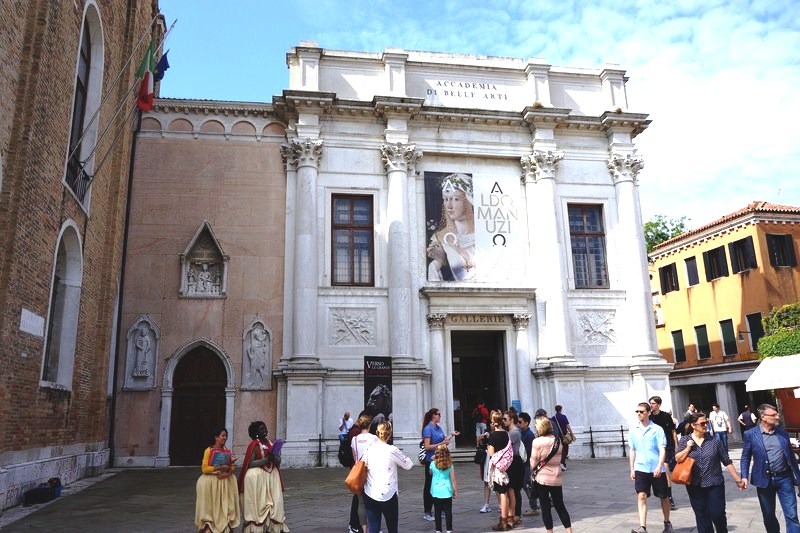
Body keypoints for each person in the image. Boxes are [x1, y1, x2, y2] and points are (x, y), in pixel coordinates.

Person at [676, 412, 745, 532]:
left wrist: (737, 479)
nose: (705, 425)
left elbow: (726, 460)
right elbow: (678, 459)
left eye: (706, 422)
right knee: (701, 516)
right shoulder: (685, 440)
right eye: (702, 423)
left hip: (714, 483)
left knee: (717, 513)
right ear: (693, 425)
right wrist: (688, 448)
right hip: (694, 484)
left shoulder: (714, 441)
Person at [740, 403, 800, 533]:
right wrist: (744, 476)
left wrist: (799, 479)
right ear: (763, 417)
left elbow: (792, 459)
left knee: (792, 515)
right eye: (773, 415)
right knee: (768, 515)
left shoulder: (783, 434)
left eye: (776, 414)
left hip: (785, 478)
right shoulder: (751, 434)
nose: (777, 417)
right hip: (763, 480)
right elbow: (745, 457)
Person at [629, 402, 673, 533]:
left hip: (656, 468)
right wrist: (632, 468)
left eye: (641, 412)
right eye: (637, 412)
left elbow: (662, 449)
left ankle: (667, 522)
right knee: (641, 496)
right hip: (640, 468)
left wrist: (660, 466)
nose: (639, 414)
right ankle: (643, 527)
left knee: (663, 496)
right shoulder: (633, 429)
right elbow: (632, 450)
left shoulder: (657, 429)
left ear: (649, 413)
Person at [238, 421, 290, 533]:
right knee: (259, 504)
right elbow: (250, 463)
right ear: (256, 432)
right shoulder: (254, 445)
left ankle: (273, 528)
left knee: (276, 503)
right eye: (261, 429)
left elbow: (278, 461)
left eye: (265, 428)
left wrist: (274, 457)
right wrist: (267, 459)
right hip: (258, 479)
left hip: (272, 478)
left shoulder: (271, 444)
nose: (265, 430)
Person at [362, 421, 413, 533]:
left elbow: (363, 465)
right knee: (392, 528)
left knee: (373, 528)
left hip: (370, 492)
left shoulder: (369, 449)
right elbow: (408, 465)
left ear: (376, 433)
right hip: (388, 493)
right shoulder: (392, 450)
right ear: (389, 434)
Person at [426, 173, 476, 281]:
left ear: (468, 200)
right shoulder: (441, 238)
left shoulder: (484, 233)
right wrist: (439, 262)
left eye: (455, 199)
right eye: (446, 199)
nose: (449, 206)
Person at [531, 416, 573, 533]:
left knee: (546, 508)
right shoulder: (557, 440)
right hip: (556, 477)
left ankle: (550, 532)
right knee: (560, 506)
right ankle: (569, 530)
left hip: (542, 479)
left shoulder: (537, 442)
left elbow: (533, 463)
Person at [195, 427, 240, 533]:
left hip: (225, 482)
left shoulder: (227, 451)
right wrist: (219, 468)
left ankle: (225, 526)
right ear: (216, 437)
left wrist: (228, 472)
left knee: (225, 505)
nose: (225, 438)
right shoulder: (209, 450)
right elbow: (204, 468)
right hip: (211, 482)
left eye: (226, 436)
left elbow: (232, 466)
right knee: (211, 506)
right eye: (222, 436)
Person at [421, 408, 458, 521]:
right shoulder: (428, 429)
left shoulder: (438, 428)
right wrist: (441, 443)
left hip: (441, 459)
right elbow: (427, 446)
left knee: (440, 483)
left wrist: (451, 435)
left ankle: (440, 509)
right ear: (433, 416)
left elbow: (443, 440)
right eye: (438, 414)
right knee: (429, 485)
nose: (440, 416)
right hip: (431, 460)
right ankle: (428, 511)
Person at [348, 413, 378, 533]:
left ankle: (364, 528)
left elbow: (355, 458)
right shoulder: (374, 438)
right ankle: (373, 526)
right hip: (371, 472)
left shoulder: (354, 439)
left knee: (361, 502)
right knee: (373, 501)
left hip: (359, 474)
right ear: (370, 425)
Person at [649, 395, 678, 510]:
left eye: (653, 403)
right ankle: (663, 493)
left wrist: (676, 445)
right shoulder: (650, 417)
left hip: (666, 446)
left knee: (665, 471)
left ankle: (669, 497)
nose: (651, 405)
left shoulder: (666, 416)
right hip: (654, 448)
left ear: (658, 404)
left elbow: (673, 431)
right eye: (650, 403)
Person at [487, 410, 512, 531]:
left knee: (502, 494)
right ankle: (509, 518)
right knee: (507, 493)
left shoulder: (493, 436)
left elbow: (491, 453)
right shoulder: (506, 434)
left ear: (493, 422)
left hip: (498, 468)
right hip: (507, 466)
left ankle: (503, 521)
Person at [430, 443, 458, 533]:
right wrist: (455, 491)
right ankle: (449, 529)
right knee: (448, 511)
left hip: (436, 490)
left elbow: (430, 473)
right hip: (447, 490)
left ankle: (438, 529)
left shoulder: (432, 464)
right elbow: (453, 479)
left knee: (437, 511)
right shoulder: (450, 465)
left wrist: (433, 460)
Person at [504, 410, 523, 527]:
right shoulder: (510, 432)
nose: (503, 421)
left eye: (505, 419)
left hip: (515, 462)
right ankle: (514, 514)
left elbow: (505, 445)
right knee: (512, 489)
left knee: (514, 489)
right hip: (512, 461)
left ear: (511, 420)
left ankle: (516, 514)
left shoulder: (514, 433)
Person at [519, 412, 540, 517]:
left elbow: (529, 450)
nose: (518, 424)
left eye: (520, 422)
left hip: (527, 464)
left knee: (527, 485)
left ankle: (534, 507)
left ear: (526, 423)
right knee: (525, 485)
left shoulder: (529, 435)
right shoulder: (522, 433)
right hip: (523, 464)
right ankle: (534, 504)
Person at [551, 405, 575, 471]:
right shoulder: (563, 417)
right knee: (565, 449)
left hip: (557, 436)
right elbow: (567, 426)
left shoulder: (553, 418)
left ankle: (560, 463)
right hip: (564, 435)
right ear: (561, 409)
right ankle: (562, 463)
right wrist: (572, 434)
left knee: (559, 449)